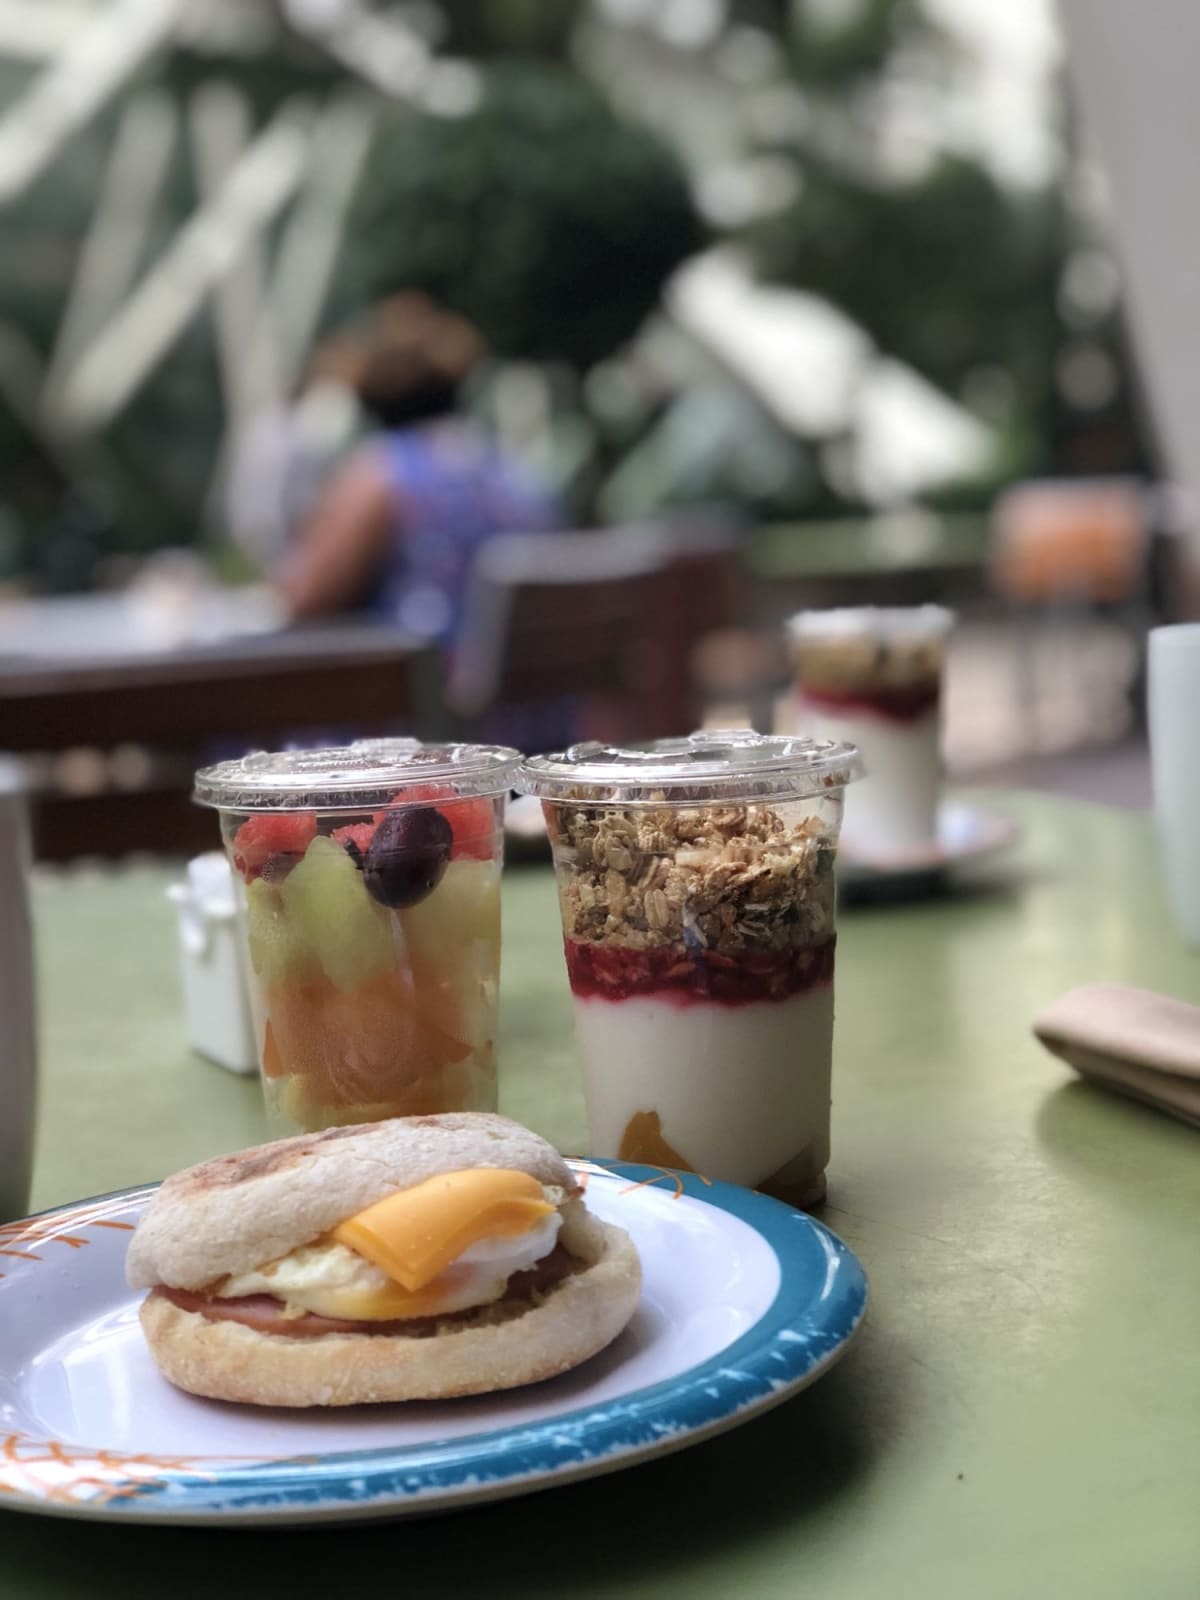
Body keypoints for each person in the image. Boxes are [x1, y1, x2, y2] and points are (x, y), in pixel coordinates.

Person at [276, 295, 563, 648]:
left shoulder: (384, 473)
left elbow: (302, 605)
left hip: (429, 694)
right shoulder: (512, 472)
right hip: (528, 698)